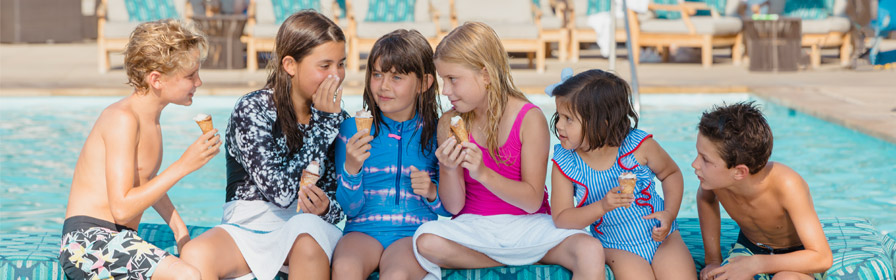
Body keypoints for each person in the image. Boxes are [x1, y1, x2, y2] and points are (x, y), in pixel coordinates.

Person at [412, 22, 605, 280]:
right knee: (425, 241)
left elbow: (532, 201)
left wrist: (483, 173)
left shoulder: (529, 118)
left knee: (590, 249)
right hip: (474, 227)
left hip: (529, 227)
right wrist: (447, 168)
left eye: (452, 79)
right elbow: (455, 206)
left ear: (485, 75)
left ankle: (502, 260)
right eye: (443, 80)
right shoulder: (449, 122)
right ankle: (508, 264)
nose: (445, 90)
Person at [180, 11, 348, 280]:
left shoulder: (341, 121)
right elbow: (280, 193)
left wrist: (327, 208)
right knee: (195, 255)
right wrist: (323, 126)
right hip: (248, 226)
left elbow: (343, 203)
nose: (336, 76)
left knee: (306, 235)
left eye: (341, 64)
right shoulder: (254, 109)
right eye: (325, 66)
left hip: (307, 230)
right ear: (290, 65)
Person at [58, 19, 212, 279]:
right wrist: (182, 166)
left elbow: (145, 180)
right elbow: (121, 209)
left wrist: (180, 232)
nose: (198, 82)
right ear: (156, 79)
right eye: (190, 75)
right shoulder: (122, 119)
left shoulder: (151, 120)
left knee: (203, 265)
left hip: (119, 238)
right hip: (87, 241)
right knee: (187, 276)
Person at [548, 69, 697, 280]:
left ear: (602, 122)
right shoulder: (566, 162)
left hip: (662, 237)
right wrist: (602, 206)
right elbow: (562, 218)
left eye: (568, 119)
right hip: (615, 246)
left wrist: (669, 214)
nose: (559, 125)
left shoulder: (639, 146)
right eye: (559, 116)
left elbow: (671, 174)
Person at [331, 29, 451, 280]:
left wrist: (431, 192)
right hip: (361, 231)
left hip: (412, 234)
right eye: (377, 74)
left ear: (425, 83)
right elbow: (349, 209)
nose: (383, 86)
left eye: (396, 77)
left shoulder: (436, 133)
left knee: (396, 275)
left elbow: (450, 209)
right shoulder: (351, 129)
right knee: (344, 268)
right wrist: (352, 169)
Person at [694, 102, 832, 280]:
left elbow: (822, 257)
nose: (695, 164)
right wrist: (712, 259)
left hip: (798, 256)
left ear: (739, 171)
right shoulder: (715, 181)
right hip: (750, 247)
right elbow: (706, 199)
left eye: (704, 159)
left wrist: (758, 264)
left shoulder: (788, 185)